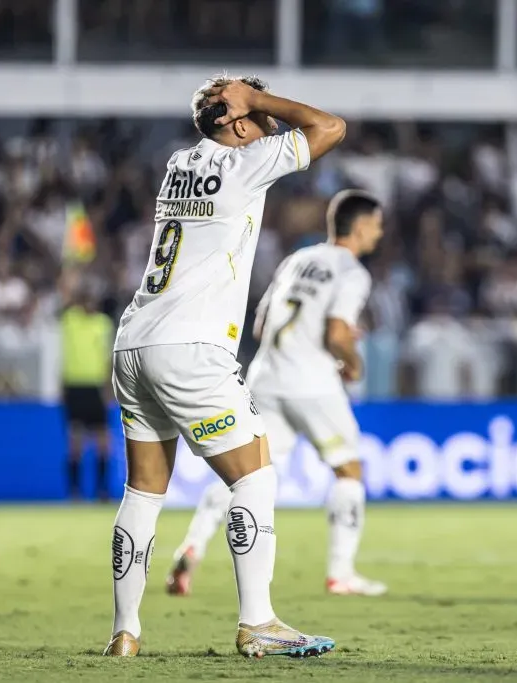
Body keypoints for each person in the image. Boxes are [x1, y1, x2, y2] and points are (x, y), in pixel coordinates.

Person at [105, 75, 346, 658]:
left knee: (143, 492)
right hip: (190, 349)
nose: (271, 126)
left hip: (135, 342)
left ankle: (125, 632)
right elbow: (331, 128)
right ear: (238, 124)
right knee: (255, 476)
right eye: (259, 117)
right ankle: (257, 621)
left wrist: (239, 101)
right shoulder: (244, 165)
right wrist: (257, 98)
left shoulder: (178, 164)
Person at [165, 190, 387, 599]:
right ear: (359, 226)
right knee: (349, 471)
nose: (381, 230)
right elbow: (337, 333)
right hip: (314, 383)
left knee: (247, 474)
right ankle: (341, 574)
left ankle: (191, 546)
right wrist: (352, 361)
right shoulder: (353, 272)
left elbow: (260, 324)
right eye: (376, 223)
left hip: (266, 378)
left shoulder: (297, 259)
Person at [60, 286, 114, 500]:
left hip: (96, 387)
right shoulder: (69, 321)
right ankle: (75, 491)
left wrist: (109, 388)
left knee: (103, 442)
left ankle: (102, 490)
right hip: (75, 386)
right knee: (75, 442)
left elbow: (108, 358)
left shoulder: (103, 324)